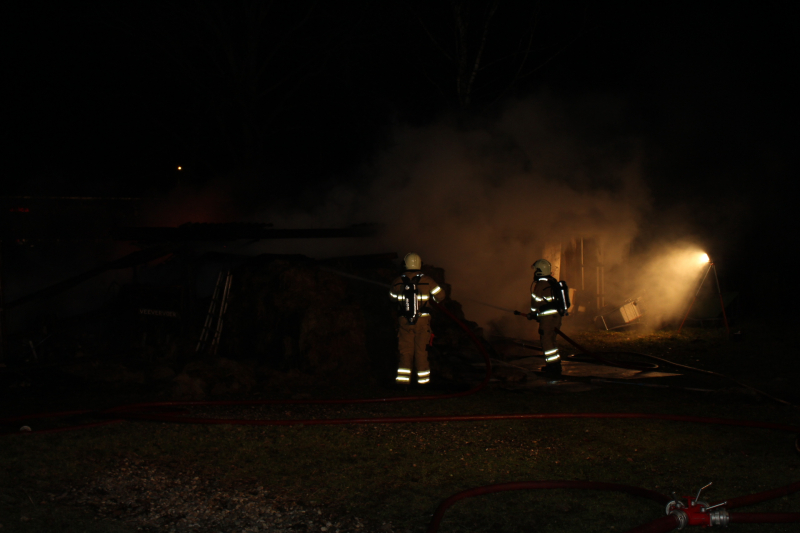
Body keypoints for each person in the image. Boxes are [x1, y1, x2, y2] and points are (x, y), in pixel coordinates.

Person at [389, 252, 446, 386]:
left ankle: (403, 383)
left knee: (405, 352)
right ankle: (423, 383)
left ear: (405, 265)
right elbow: (441, 296)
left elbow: (391, 297)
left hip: (404, 322)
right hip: (422, 322)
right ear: (420, 264)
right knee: (421, 352)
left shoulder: (397, 281)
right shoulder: (428, 280)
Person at [528, 258, 563, 375]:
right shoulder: (552, 282)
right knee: (552, 340)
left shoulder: (540, 284)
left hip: (547, 319)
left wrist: (532, 313)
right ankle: (556, 363)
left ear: (539, 271)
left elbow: (535, 302)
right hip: (556, 317)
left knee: (546, 341)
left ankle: (552, 367)